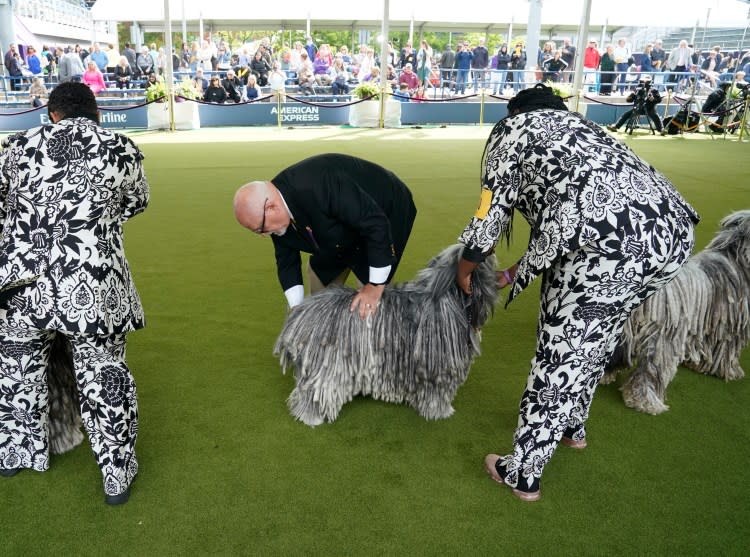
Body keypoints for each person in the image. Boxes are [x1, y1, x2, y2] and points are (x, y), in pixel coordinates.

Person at [456, 84, 698, 501]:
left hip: (606, 245)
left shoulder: (512, 130)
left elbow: (489, 212)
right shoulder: (583, 128)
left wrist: (465, 268)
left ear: (514, 110)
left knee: (560, 352)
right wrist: (513, 273)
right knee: (599, 331)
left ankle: (522, 471)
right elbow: (570, 205)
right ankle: (572, 426)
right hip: (671, 237)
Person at [0, 82, 149, 505]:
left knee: (15, 370)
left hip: (17, 283)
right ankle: (116, 474)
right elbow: (137, 202)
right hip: (93, 283)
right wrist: (95, 221)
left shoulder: (18, 144)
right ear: (96, 112)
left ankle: (13, 454)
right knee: (104, 375)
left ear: (52, 114)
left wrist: (11, 226)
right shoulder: (122, 148)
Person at [233, 153, 417, 318]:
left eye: (260, 229)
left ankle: (373, 347)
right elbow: (286, 261)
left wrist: (375, 286)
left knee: (370, 302)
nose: (264, 235)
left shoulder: (319, 185)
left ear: (271, 207)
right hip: (333, 230)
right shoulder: (274, 215)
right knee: (319, 288)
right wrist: (297, 309)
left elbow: (376, 225)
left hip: (383, 210)